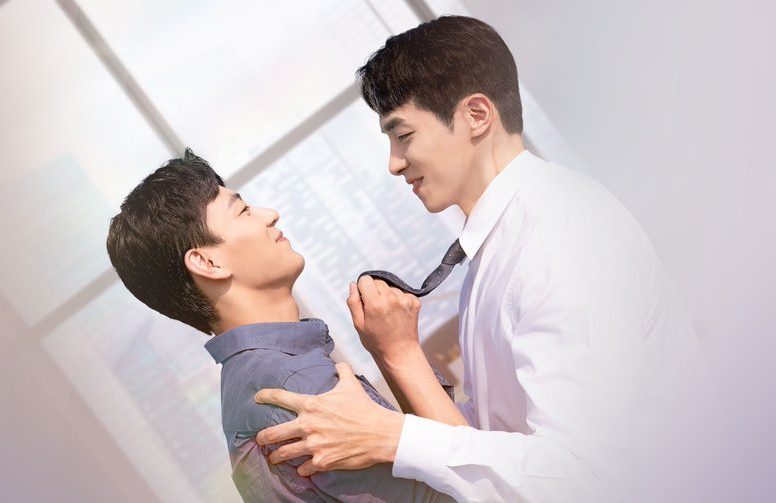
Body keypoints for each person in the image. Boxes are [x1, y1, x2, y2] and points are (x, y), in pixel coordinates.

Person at [254, 15, 713, 502]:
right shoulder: (500, 248)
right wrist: (398, 355)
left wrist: (391, 437)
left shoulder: (562, 238)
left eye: (403, 135)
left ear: (476, 115)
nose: (393, 163)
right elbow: (494, 445)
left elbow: (583, 479)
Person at [106, 149, 454, 502]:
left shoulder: (250, 385)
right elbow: (466, 489)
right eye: (243, 211)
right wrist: (400, 351)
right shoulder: (300, 385)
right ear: (207, 263)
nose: (270, 214)